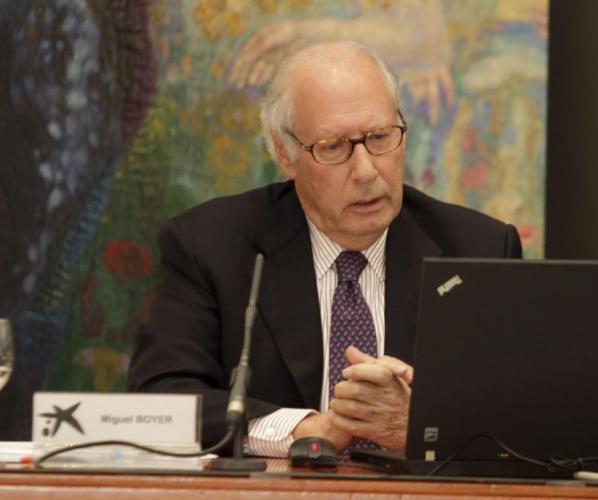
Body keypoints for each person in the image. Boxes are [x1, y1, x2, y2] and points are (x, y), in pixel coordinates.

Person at [127, 40, 522, 457]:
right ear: (286, 153)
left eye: (381, 137)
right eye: (333, 147)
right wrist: (306, 430)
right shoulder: (210, 246)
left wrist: (419, 425)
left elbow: (529, 419)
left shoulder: (480, 250)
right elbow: (160, 398)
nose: (366, 171)